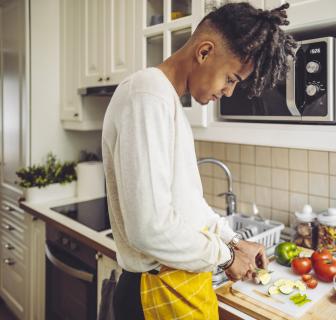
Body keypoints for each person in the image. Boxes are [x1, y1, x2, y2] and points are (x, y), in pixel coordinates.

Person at [101, 2, 296, 319]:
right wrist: (225, 257)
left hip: (175, 285)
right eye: (231, 78)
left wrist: (234, 243)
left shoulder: (166, 100)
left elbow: (187, 204)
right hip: (153, 291)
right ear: (204, 52)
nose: (229, 92)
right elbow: (149, 229)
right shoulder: (147, 94)